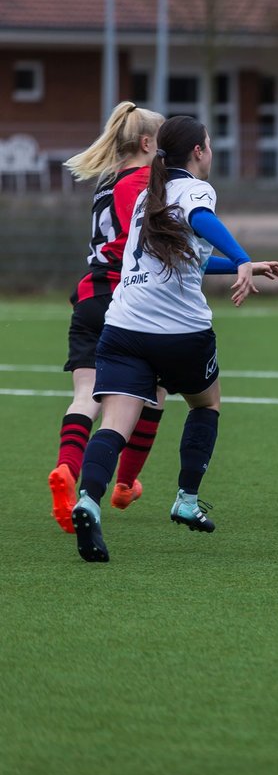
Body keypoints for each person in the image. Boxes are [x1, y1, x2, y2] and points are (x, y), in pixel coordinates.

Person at [69, 115, 278, 562]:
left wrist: (247, 264)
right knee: (206, 404)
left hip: (123, 326)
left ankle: (88, 500)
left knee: (113, 424)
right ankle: (186, 500)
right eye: (208, 144)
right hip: (181, 333)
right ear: (199, 152)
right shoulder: (194, 190)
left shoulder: (147, 196)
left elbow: (189, 259)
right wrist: (242, 257)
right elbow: (203, 219)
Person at [49, 102, 167, 533]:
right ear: (147, 142)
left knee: (86, 396)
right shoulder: (145, 181)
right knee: (153, 391)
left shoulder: (106, 181)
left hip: (89, 294)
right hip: (128, 298)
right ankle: (125, 483)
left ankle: (66, 467)